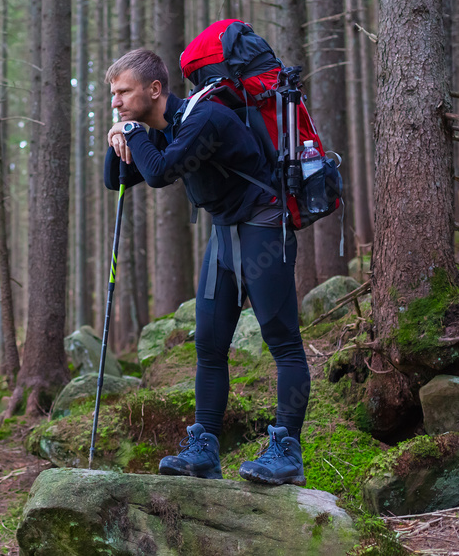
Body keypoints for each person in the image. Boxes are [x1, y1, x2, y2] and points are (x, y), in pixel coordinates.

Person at [102, 48, 310, 486]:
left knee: (282, 341)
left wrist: (131, 130)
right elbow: (117, 178)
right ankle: (204, 449)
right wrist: (118, 136)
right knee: (210, 346)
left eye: (123, 93)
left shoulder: (203, 119)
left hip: (264, 225)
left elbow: (157, 174)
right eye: (113, 95)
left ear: (155, 89)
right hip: (224, 234)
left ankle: (287, 450)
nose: (115, 101)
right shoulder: (167, 127)